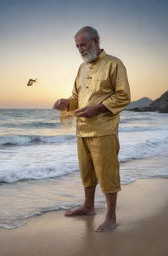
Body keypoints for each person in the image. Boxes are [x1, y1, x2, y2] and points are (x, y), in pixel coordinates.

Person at [53, 26, 130, 232]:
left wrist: (97, 109)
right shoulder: (82, 68)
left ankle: (111, 216)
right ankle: (88, 206)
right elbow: (76, 98)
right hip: (82, 130)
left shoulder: (114, 64)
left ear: (96, 41)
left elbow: (123, 95)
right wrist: (65, 103)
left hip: (104, 129)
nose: (80, 49)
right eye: (77, 46)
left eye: (83, 44)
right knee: (86, 172)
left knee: (107, 173)